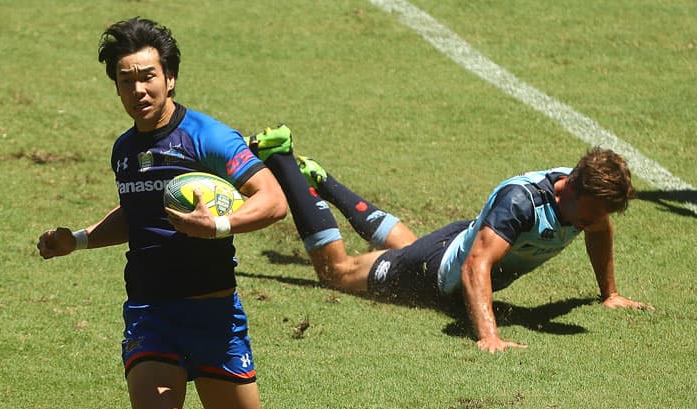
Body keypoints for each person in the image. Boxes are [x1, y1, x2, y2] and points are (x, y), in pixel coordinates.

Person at [37, 18, 286, 409]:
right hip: (150, 315)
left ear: (169, 77)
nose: (138, 89)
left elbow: (271, 201)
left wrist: (217, 224)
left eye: (148, 76)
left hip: (216, 320)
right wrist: (76, 239)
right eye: (126, 81)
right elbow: (135, 213)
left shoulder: (210, 139)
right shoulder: (126, 150)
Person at [246, 125, 652, 352]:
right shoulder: (521, 203)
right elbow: (477, 265)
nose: (591, 224)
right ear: (573, 189)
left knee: (411, 245)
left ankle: (324, 180)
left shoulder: (587, 202)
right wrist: (488, 335)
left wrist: (609, 293)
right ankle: (281, 157)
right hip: (428, 273)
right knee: (336, 271)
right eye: (588, 216)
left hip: (456, 242)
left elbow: (601, 230)